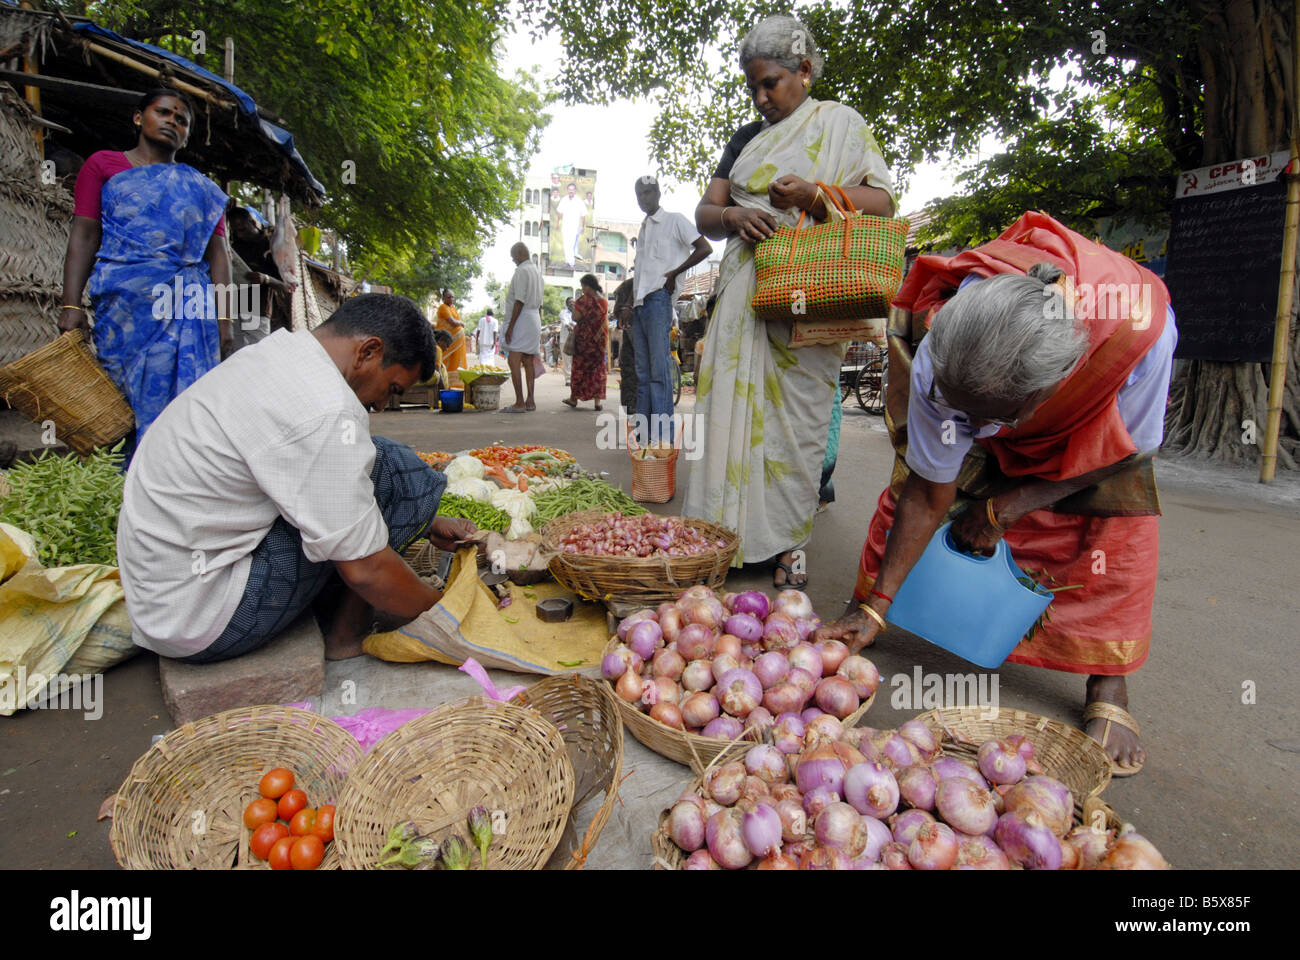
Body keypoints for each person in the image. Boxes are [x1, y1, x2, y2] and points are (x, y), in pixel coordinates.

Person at [815, 211, 1177, 776]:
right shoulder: (944, 352)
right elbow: (929, 489)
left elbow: (1128, 454)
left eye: (989, 418)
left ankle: (1109, 673)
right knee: (915, 485)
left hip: (1098, 436)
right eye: (961, 410)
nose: (968, 423)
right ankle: (875, 609)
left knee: (1114, 522)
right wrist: (876, 604)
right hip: (992, 390)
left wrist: (1005, 508)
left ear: (1054, 388)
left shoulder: (1137, 337)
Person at [116, 294, 477, 663]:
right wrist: (450, 613)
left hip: (162, 603)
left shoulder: (279, 354)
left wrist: (425, 522)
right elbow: (366, 571)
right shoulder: (325, 411)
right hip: (204, 621)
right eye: (393, 388)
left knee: (368, 459)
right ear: (368, 351)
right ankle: (347, 637)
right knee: (393, 470)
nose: (384, 404)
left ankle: (337, 613)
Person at [682, 14, 896, 588]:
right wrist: (732, 215)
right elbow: (704, 213)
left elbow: (881, 202)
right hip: (744, 294)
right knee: (727, 413)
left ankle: (785, 545)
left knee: (794, 426)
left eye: (770, 83)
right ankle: (718, 539)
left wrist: (817, 194)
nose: (760, 97)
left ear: (804, 71)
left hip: (808, 296)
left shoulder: (841, 125)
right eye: (752, 86)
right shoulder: (746, 138)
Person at [58, 88, 233, 453]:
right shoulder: (103, 165)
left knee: (185, 410)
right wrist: (71, 305)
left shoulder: (201, 188)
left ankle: (172, 488)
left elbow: (219, 256)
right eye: (163, 112)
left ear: (186, 137)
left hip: (187, 307)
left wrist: (225, 322)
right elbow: (85, 234)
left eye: (181, 120)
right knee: (118, 403)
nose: (172, 121)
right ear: (139, 118)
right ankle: (119, 490)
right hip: (123, 309)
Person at [632, 176, 712, 442]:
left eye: (647, 193)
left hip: (658, 301)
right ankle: (643, 441)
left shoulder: (674, 220)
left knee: (658, 374)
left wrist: (675, 273)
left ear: (657, 193)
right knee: (642, 375)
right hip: (640, 304)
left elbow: (704, 248)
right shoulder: (643, 229)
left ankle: (664, 441)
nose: (643, 199)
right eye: (639, 195)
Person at [503, 242, 543, 413]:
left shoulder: (521, 271)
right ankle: (530, 401)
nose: (514, 261)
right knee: (528, 361)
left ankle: (519, 402)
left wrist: (511, 327)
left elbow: (519, 301)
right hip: (534, 318)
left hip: (523, 318)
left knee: (513, 360)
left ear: (520, 254)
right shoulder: (536, 272)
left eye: (514, 258)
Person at [562, 274, 608, 410]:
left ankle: (573, 399)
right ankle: (597, 402)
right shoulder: (603, 301)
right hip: (599, 341)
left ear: (588, 286)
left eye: (583, 286)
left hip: (584, 341)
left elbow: (576, 317)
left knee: (579, 369)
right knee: (597, 370)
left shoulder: (583, 301)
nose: (582, 289)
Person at [612, 276, 637, 413]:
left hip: (631, 331)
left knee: (629, 369)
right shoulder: (656, 279)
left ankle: (631, 406)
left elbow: (617, 311)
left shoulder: (628, 285)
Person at [435, 288, 467, 373]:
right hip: (445, 340)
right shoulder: (443, 307)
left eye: (452, 297)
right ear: (444, 298)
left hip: (455, 343)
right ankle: (444, 380)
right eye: (448, 297)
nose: (451, 299)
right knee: (444, 360)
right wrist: (461, 323)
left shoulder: (452, 308)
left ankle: (456, 383)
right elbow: (452, 322)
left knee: (456, 360)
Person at [556, 182, 587, 266]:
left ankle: (572, 263)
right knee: (566, 244)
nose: (571, 191)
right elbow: (559, 212)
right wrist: (558, 223)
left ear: (575, 191)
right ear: (567, 190)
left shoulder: (579, 201)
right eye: (569, 189)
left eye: (572, 190)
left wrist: (583, 227)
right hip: (565, 226)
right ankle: (567, 261)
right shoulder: (564, 200)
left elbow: (583, 215)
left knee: (572, 244)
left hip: (575, 227)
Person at [559, 296, 576, 386]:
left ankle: (575, 378)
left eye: (573, 302)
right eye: (570, 302)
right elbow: (565, 322)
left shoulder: (578, 313)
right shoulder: (563, 312)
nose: (572, 304)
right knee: (566, 359)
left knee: (575, 359)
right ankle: (568, 379)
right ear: (567, 304)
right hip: (565, 339)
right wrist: (569, 326)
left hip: (576, 339)